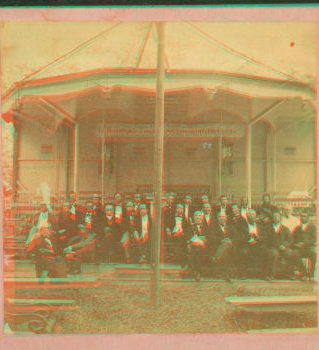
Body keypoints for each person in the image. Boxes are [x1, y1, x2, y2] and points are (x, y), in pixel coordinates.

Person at [264, 211, 307, 281]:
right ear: (272, 218)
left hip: (284, 248)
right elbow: (266, 239)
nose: (276, 218)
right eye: (274, 216)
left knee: (290, 253)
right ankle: (271, 275)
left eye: (277, 216)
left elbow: (290, 240)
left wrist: (284, 246)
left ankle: (290, 274)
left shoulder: (285, 228)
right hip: (273, 247)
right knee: (274, 254)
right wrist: (278, 246)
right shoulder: (268, 228)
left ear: (280, 219)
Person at [236, 209, 269, 279]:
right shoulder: (243, 225)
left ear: (256, 216)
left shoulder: (260, 226)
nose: (251, 216)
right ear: (247, 217)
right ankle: (244, 274)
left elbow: (265, 237)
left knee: (265, 250)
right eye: (250, 215)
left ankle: (264, 274)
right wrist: (249, 236)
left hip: (258, 244)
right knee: (244, 252)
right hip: (246, 244)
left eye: (253, 215)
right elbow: (239, 237)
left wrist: (257, 238)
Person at [211, 212, 236, 282]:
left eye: (223, 217)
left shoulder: (231, 227)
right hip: (219, 247)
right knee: (225, 251)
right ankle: (226, 274)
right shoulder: (214, 227)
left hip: (231, 247)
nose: (222, 218)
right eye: (220, 217)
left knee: (226, 244)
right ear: (217, 219)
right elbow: (212, 238)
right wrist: (221, 240)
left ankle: (216, 258)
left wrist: (230, 240)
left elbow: (236, 237)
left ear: (226, 218)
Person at [292, 212, 316, 281]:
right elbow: (294, 238)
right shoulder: (297, 228)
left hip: (309, 247)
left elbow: (314, 238)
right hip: (300, 249)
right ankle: (304, 273)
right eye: (302, 216)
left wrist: (304, 243)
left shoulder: (313, 227)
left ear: (308, 218)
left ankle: (311, 275)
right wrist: (296, 244)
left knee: (313, 253)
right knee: (294, 254)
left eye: (305, 216)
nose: (303, 218)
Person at [187, 211, 210, 281]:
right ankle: (198, 273)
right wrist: (195, 241)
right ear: (194, 218)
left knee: (197, 251)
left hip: (204, 248)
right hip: (195, 248)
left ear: (202, 219)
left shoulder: (206, 228)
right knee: (197, 251)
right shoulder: (191, 227)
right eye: (196, 217)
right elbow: (188, 237)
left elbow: (209, 238)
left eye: (200, 217)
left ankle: (189, 265)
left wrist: (204, 239)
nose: (198, 219)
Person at [165, 204, 189, 268]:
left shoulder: (185, 219)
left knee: (182, 239)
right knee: (181, 241)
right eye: (178, 208)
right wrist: (167, 230)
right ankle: (176, 255)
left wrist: (182, 233)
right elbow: (166, 224)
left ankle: (174, 254)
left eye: (181, 209)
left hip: (181, 235)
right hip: (173, 235)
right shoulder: (171, 217)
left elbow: (187, 230)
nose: (180, 210)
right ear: (176, 210)